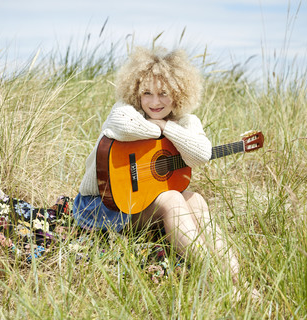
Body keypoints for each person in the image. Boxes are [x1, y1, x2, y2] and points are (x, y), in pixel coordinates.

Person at [73, 46, 239, 281]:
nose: (154, 102)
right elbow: (123, 125)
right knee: (172, 198)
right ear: (136, 93)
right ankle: (213, 277)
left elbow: (201, 153)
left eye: (163, 93)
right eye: (147, 93)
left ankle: (234, 278)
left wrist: (167, 127)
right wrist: (157, 127)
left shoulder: (186, 122)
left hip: (141, 204)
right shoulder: (125, 111)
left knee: (196, 200)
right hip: (103, 206)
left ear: (178, 93)